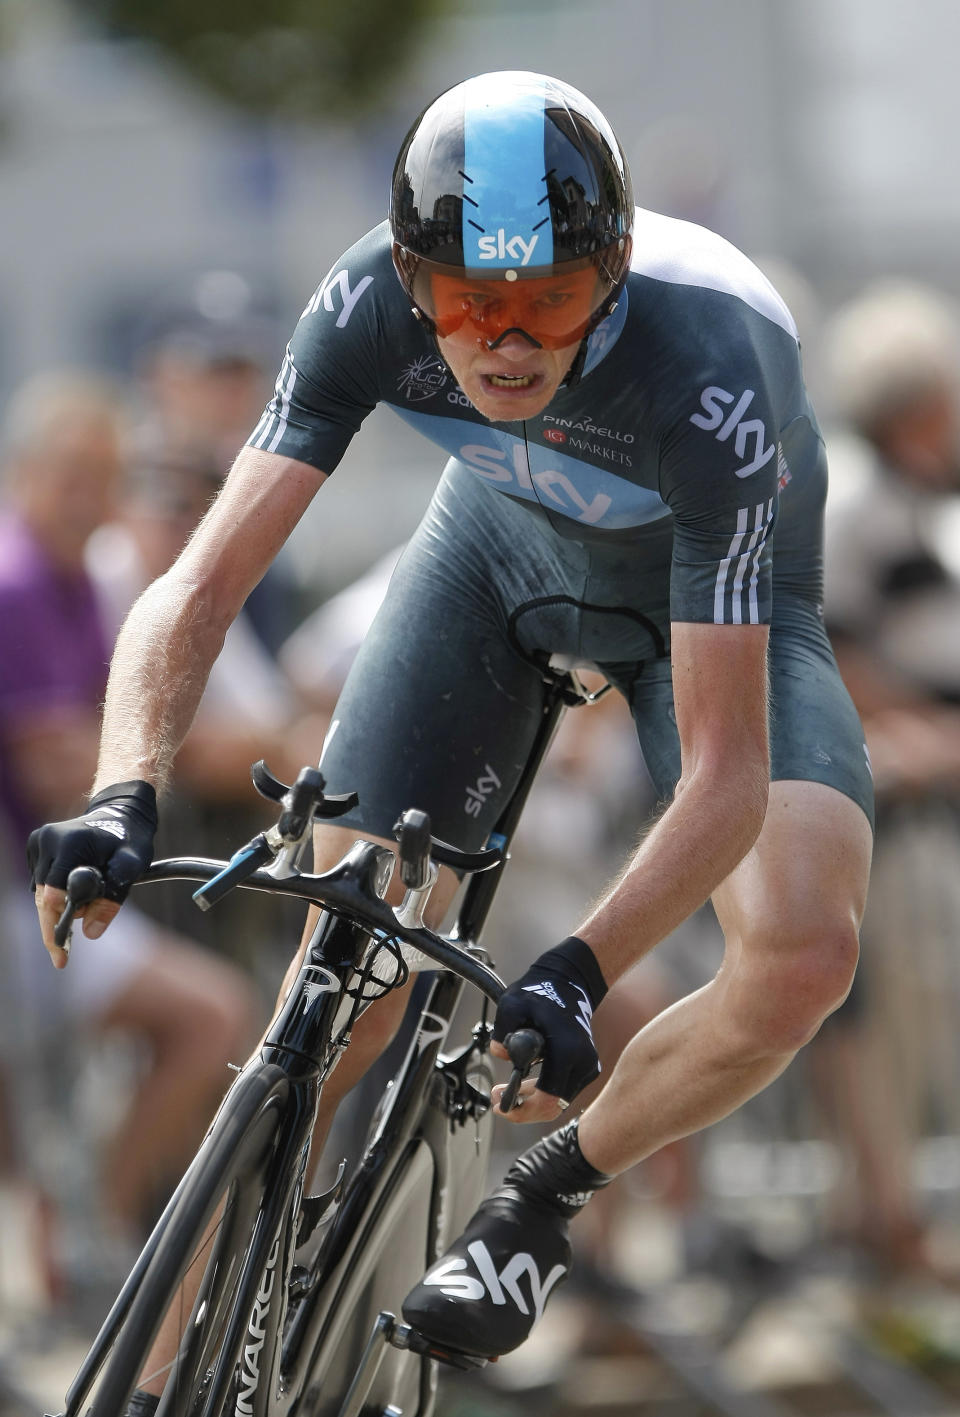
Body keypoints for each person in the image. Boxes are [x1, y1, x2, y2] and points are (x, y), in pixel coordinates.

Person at [27, 72, 873, 1403]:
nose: (510, 345)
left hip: (700, 609)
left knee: (805, 952)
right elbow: (192, 590)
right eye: (473, 307)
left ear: (619, 272)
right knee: (337, 983)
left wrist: (581, 968)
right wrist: (121, 784)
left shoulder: (712, 373)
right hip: (488, 560)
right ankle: (148, 1378)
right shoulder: (364, 300)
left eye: (550, 302)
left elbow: (725, 777)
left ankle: (543, 1196)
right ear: (417, 282)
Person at [0, 372, 257, 1255]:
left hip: (37, 884)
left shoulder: (71, 582)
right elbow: (54, 768)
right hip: (14, 890)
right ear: (23, 475)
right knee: (211, 1016)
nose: (93, 499)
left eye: (106, 477)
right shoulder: (18, 580)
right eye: (72, 475)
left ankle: (88, 1240)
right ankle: (101, 1237)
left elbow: (94, 744)